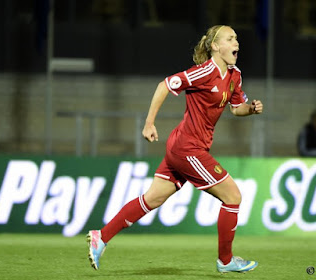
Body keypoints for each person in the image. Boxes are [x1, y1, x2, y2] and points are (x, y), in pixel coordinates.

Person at [86, 25, 263, 273]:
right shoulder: (203, 73)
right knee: (233, 196)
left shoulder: (234, 75)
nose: (237, 42)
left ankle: (101, 237)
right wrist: (149, 123)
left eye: (236, 38)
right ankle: (226, 261)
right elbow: (164, 85)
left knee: (152, 198)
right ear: (215, 46)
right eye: (230, 38)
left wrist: (251, 109)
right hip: (188, 148)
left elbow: (236, 108)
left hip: (182, 146)